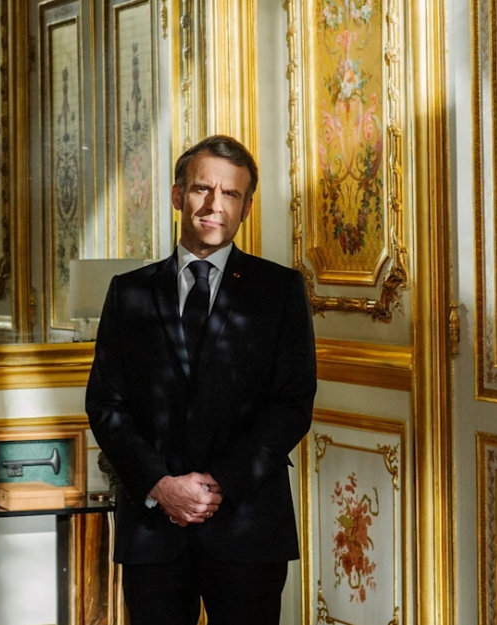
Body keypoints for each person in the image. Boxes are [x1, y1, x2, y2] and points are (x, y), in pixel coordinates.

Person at [86, 135, 317, 625]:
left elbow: (292, 404)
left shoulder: (279, 290)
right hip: (153, 527)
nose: (215, 205)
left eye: (230, 194)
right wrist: (161, 486)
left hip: (247, 525)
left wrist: (218, 484)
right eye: (201, 189)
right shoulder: (128, 293)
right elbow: (106, 405)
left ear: (246, 208)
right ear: (178, 195)